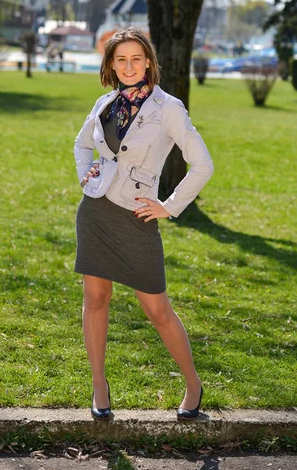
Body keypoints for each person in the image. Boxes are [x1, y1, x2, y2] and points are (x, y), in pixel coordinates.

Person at [74, 28, 214, 422]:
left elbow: (203, 164)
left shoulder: (168, 107)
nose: (129, 66)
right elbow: (82, 145)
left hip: (138, 218)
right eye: (121, 60)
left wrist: (169, 207)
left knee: (157, 309)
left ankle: (192, 384)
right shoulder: (105, 104)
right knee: (95, 300)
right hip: (95, 214)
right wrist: (87, 175)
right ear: (111, 65)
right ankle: (99, 386)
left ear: (149, 62)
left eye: (136, 59)